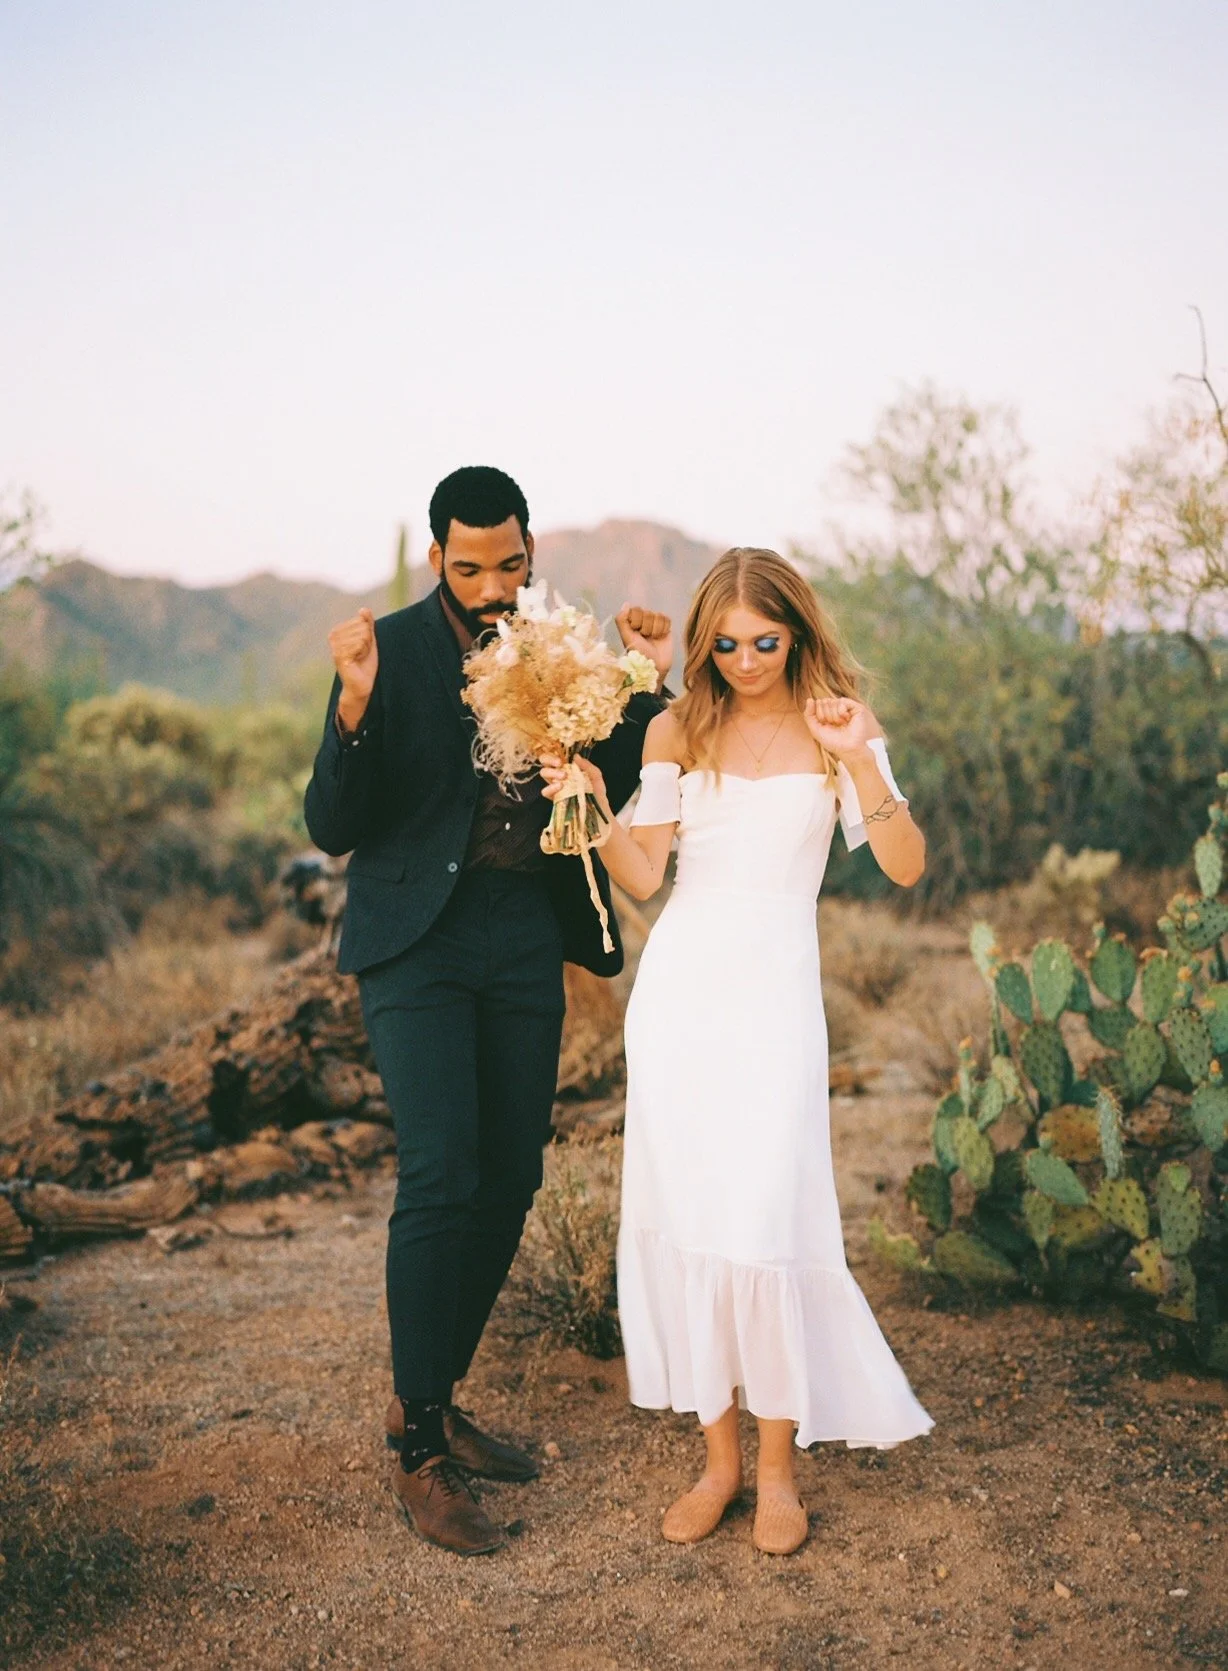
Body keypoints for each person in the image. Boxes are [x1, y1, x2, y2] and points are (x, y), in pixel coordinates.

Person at [304, 466, 672, 1556]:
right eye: (466, 569)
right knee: (439, 1171)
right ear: (436, 561)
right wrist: (355, 707)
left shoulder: (561, 643)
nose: (489, 587)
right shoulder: (387, 651)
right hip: (415, 939)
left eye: (506, 565)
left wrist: (643, 680)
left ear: (528, 550)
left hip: (522, 932)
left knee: (512, 1171)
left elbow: (617, 774)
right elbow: (332, 824)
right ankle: (419, 1446)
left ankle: (433, 1393)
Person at [543, 546, 932, 1557]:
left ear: (798, 633)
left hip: (774, 1005)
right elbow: (640, 877)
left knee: (763, 1222)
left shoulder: (836, 720)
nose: (748, 660)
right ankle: (718, 1464)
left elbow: (902, 862)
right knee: (690, 1219)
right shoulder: (678, 726)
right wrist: (587, 799)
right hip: (679, 999)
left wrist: (857, 758)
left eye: (767, 640)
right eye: (727, 643)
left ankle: (778, 1473)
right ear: (705, 641)